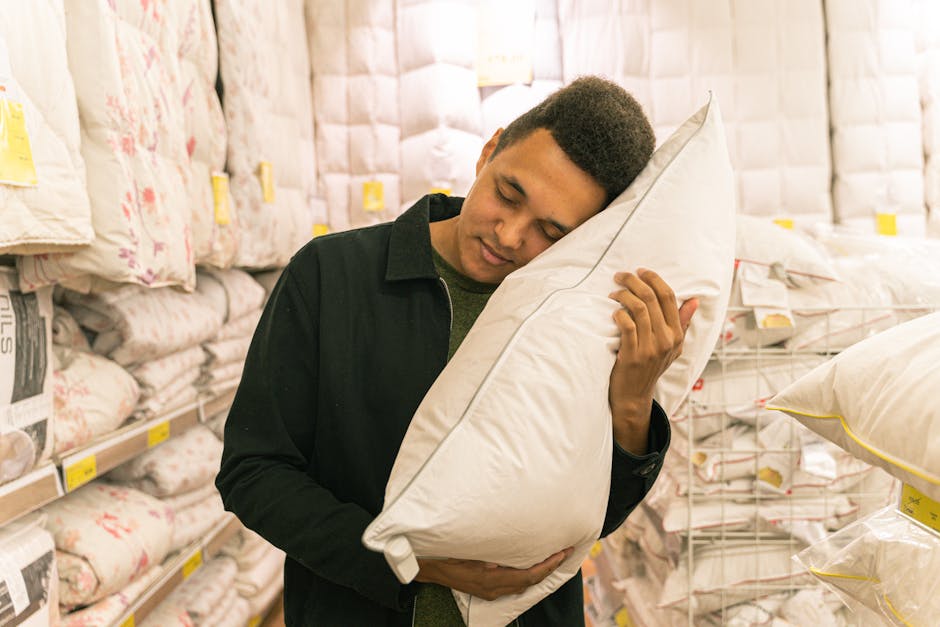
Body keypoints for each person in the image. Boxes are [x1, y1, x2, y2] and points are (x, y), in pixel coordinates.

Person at [216, 75, 697, 626]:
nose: (510, 236)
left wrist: (634, 401)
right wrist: (408, 561)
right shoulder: (331, 276)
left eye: (550, 230)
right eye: (508, 195)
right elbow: (253, 472)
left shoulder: (588, 318)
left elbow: (595, 520)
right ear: (488, 152)